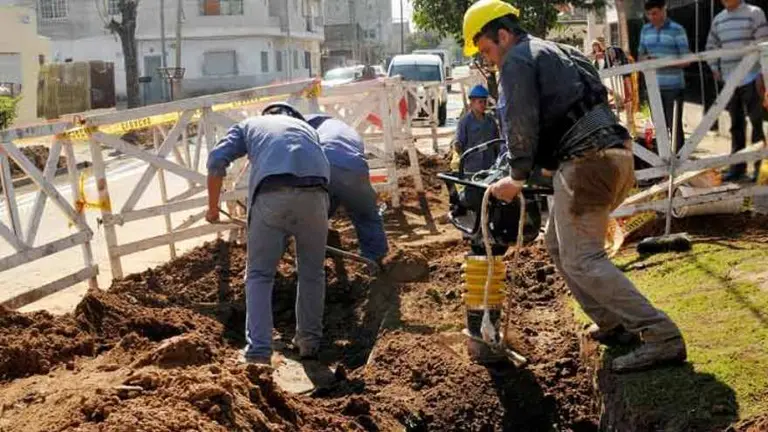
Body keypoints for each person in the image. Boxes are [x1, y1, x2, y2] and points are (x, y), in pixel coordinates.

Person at [463, 0, 686, 373]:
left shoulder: (516, 60)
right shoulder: (561, 51)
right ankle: (613, 323)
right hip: (617, 155)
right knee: (557, 244)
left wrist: (516, 177)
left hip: (587, 163)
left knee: (582, 257)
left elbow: (522, 121)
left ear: (503, 35)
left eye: (487, 50)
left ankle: (661, 334)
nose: (490, 60)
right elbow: (586, 102)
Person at [205, 103, 330, 365]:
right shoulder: (307, 129)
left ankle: (259, 351)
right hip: (317, 197)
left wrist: (213, 207)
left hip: (272, 195)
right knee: (312, 272)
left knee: (260, 275)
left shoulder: (249, 125)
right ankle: (309, 343)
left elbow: (217, 160)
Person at [304, 113, 389, 265]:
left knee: (314, 215)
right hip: (353, 169)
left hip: (322, 168)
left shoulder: (310, 132)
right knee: (366, 216)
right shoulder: (343, 129)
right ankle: (375, 260)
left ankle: (310, 260)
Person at [706, 0, 768, 181]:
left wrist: (763, 75)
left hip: (752, 77)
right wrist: (714, 67)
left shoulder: (754, 13)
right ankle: (737, 168)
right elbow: (711, 46)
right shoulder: (719, 20)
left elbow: (764, 46)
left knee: (757, 124)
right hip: (729, 80)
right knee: (736, 125)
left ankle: (758, 168)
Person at [639, 0, 691, 153]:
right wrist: (645, 61)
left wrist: (662, 63)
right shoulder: (645, 30)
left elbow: (686, 60)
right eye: (648, 14)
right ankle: (663, 160)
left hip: (673, 86)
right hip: (652, 87)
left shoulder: (677, 30)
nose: (651, 17)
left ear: (663, 10)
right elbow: (640, 55)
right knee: (658, 126)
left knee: (674, 125)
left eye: (654, 13)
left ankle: (679, 160)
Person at [454, 84, 501, 173]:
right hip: (472, 167)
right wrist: (463, 159)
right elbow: (459, 144)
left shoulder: (490, 121)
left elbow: (497, 142)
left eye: (485, 102)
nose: (483, 104)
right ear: (472, 102)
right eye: (480, 102)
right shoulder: (465, 122)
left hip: (490, 165)